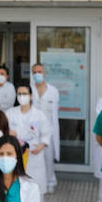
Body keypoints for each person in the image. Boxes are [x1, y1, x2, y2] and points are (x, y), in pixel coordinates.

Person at [6, 83, 50, 202]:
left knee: (37, 192)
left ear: (31, 96)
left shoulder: (39, 115)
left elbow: (46, 135)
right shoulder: (10, 113)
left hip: (34, 158)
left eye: (24, 94)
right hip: (15, 159)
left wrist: (42, 145)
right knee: (16, 191)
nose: (22, 97)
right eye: (19, 94)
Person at [29, 63, 61, 194]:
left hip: (49, 130)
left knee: (48, 158)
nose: (37, 74)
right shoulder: (29, 90)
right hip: (32, 131)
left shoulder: (53, 91)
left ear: (44, 73)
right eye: (35, 72)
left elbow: (55, 111)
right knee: (35, 158)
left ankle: (50, 181)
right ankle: (35, 182)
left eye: (40, 71)